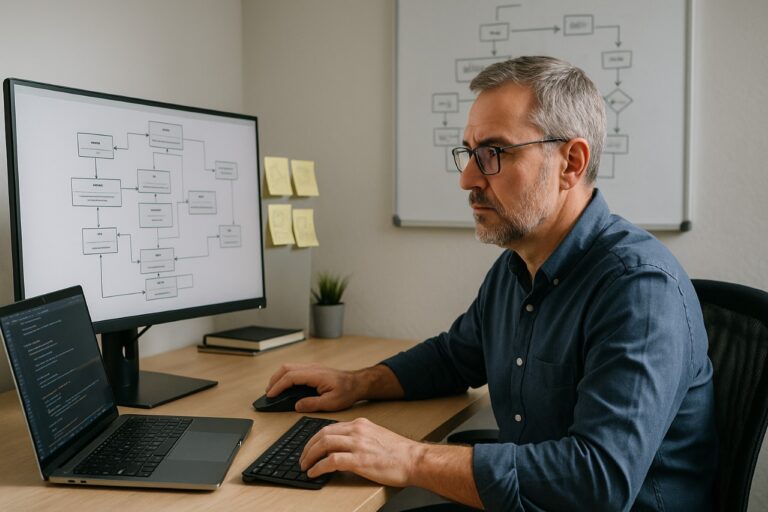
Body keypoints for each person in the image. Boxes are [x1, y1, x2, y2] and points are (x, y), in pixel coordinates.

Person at [265, 56, 717, 511]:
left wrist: (412, 458)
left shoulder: (638, 290)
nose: (467, 179)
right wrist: (357, 383)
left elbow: (595, 482)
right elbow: (453, 357)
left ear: (570, 163)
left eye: (494, 154)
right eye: (469, 152)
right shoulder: (518, 266)